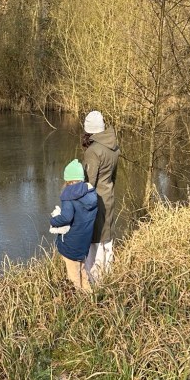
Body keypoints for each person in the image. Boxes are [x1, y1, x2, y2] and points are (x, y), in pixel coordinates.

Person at [49, 159, 98, 293]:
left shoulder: (69, 196)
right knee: (82, 271)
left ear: (68, 180)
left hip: (71, 243)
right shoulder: (92, 194)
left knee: (73, 277)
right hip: (84, 243)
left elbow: (66, 217)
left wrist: (53, 220)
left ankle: (79, 305)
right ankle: (90, 298)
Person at [81, 110, 120, 280]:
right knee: (107, 236)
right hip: (109, 196)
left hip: (95, 201)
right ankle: (109, 274)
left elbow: (88, 184)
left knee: (94, 239)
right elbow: (113, 177)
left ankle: (94, 279)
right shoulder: (114, 147)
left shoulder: (93, 151)